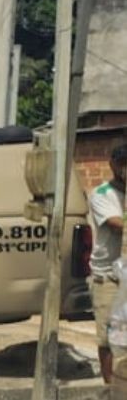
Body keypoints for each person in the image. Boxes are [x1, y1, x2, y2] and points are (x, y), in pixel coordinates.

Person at [90, 144, 127, 383]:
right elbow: (117, 224)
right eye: (122, 164)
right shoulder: (102, 194)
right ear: (113, 165)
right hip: (108, 277)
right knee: (107, 338)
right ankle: (109, 388)